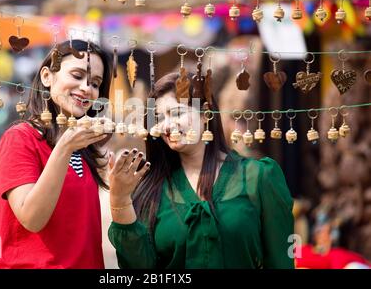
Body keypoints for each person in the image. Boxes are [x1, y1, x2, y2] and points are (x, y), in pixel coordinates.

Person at [107, 72, 295, 269]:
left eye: (177, 113)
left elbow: (281, 260)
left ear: (205, 114)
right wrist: (120, 200)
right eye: (159, 118)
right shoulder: (152, 190)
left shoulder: (258, 177)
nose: (167, 125)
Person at [0, 40, 112, 269]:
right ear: (47, 76)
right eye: (77, 76)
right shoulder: (20, 138)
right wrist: (64, 148)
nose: (87, 88)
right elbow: (32, 219)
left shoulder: (84, 146)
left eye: (95, 83)